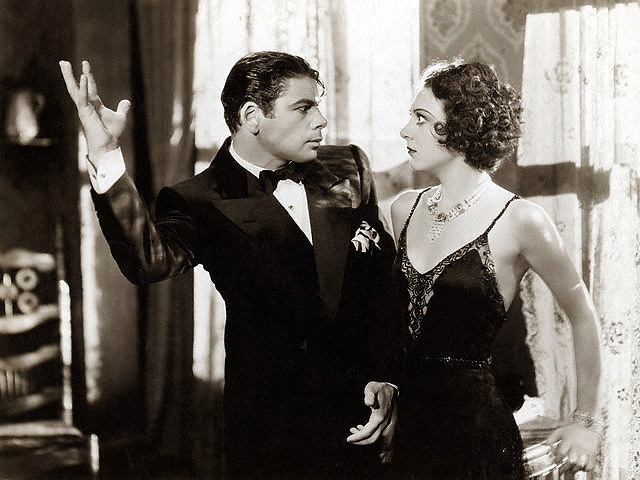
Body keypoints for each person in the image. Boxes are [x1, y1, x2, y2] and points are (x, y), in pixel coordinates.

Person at [59, 51, 401, 480]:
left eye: (317, 105)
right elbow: (149, 261)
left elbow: (384, 288)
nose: (321, 120)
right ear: (252, 116)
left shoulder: (348, 166)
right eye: (303, 107)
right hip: (271, 427)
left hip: (366, 411)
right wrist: (105, 151)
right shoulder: (196, 199)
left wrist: (390, 381)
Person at [385, 59, 602, 479]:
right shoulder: (403, 209)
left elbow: (582, 314)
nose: (405, 130)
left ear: (462, 127)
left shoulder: (520, 220)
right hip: (408, 433)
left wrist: (585, 421)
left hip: (477, 439)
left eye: (421, 118)